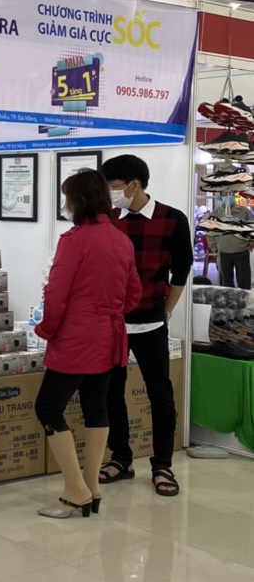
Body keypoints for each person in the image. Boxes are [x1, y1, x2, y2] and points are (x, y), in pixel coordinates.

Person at [33, 171, 142, 518]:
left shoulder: (74, 240)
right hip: (109, 335)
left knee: (48, 407)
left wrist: (47, 328)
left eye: (68, 198)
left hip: (76, 336)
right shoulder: (121, 240)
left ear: (77, 201)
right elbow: (134, 294)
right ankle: (92, 486)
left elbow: (56, 293)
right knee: (96, 407)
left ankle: (75, 489)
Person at [100, 154, 193, 497]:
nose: (110, 194)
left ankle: (162, 464)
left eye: (113, 187)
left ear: (134, 185)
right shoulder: (107, 219)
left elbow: (181, 270)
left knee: (160, 393)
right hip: (113, 323)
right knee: (111, 392)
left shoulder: (172, 219)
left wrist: (166, 310)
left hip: (152, 322)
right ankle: (120, 458)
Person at [210, 201, 254, 289]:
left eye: (230, 194)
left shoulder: (244, 211)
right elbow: (210, 232)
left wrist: (252, 240)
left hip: (241, 252)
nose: (227, 196)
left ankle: (244, 298)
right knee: (226, 286)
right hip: (223, 253)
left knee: (244, 284)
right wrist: (214, 248)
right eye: (224, 194)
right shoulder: (216, 213)